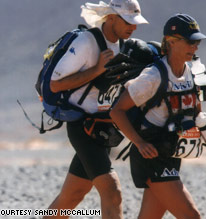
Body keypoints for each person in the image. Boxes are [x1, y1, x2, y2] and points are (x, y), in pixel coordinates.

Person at [44, 0, 148, 218]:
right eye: (128, 21)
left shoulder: (122, 44)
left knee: (72, 195)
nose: (134, 27)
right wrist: (97, 69)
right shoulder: (85, 43)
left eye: (136, 22)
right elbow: (56, 84)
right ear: (111, 17)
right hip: (82, 125)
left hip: (103, 128)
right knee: (113, 192)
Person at [110, 13, 206, 218]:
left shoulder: (194, 73)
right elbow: (116, 110)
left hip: (172, 154)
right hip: (152, 156)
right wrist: (139, 142)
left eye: (197, 42)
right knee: (191, 215)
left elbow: (197, 113)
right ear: (170, 41)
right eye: (190, 42)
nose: (195, 47)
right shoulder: (153, 76)